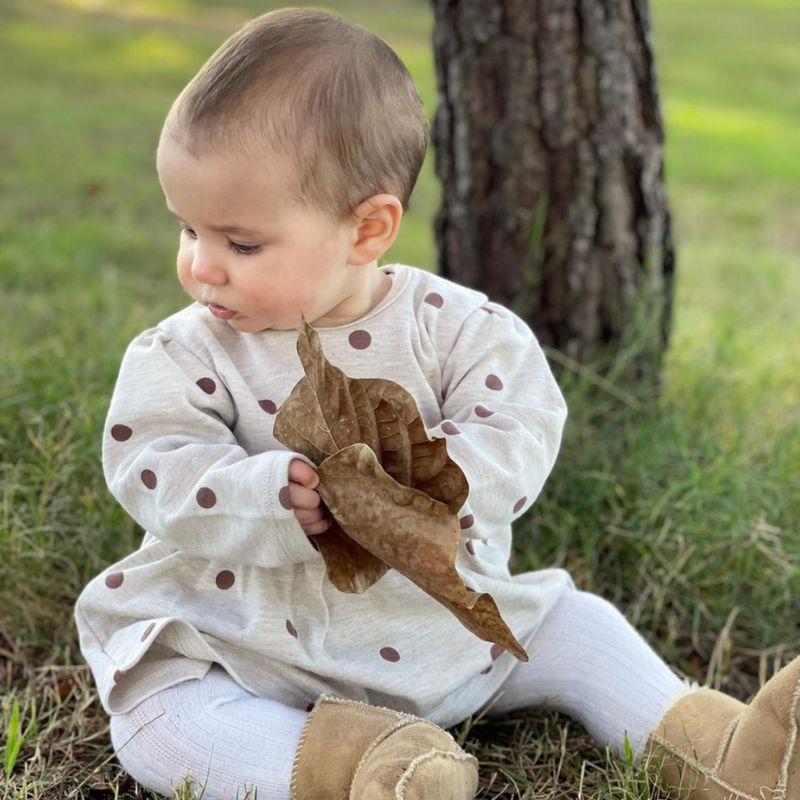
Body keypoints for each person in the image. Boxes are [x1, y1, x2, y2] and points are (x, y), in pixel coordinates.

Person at [73, 7, 800, 800]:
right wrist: (270, 492)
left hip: (447, 634)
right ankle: (358, 769)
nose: (201, 268)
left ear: (369, 228)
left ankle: (721, 750)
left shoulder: (459, 329)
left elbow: (520, 427)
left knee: (574, 625)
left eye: (240, 243)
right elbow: (151, 463)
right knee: (161, 716)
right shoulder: (180, 353)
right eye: (187, 229)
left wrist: (423, 478)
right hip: (249, 639)